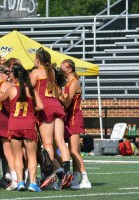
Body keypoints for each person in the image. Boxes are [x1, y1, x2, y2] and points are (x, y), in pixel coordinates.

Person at [30, 47, 72, 189]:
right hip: (56, 105)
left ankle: (49, 175)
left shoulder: (36, 72)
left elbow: (28, 90)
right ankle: (66, 172)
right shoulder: (52, 72)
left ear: (38, 59)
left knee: (47, 144)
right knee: (60, 142)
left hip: (45, 107)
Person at [0, 63, 44, 192]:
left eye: (11, 73)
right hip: (28, 123)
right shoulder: (30, 89)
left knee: (17, 156)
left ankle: (20, 182)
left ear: (15, 75)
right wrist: (30, 110)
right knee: (32, 156)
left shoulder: (11, 89)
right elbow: (41, 106)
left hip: (14, 123)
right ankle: (33, 183)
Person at [58, 59, 91, 189]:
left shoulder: (74, 82)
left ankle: (85, 179)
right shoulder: (68, 82)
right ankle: (76, 178)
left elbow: (67, 102)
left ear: (69, 68)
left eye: (62, 67)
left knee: (73, 151)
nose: (60, 70)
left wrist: (57, 95)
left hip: (74, 118)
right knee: (74, 150)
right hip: (69, 117)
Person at [0, 64, 18, 190]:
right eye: (7, 72)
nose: (9, 75)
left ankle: (12, 177)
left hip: (0, 120)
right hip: (0, 119)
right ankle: (10, 176)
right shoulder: (5, 84)